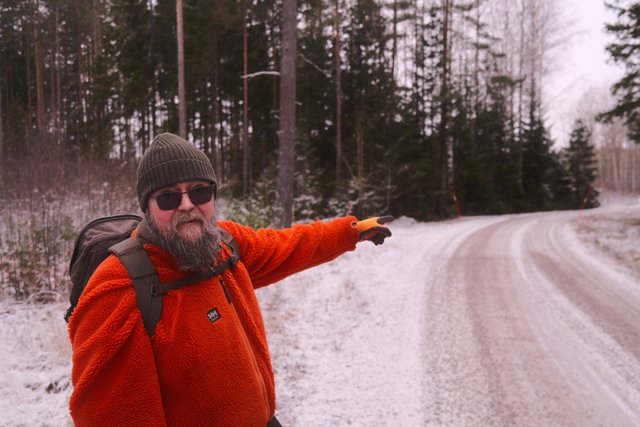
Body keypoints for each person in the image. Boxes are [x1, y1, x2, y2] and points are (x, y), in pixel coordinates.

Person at [68, 132, 393, 426]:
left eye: (199, 191)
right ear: (147, 207)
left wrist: (349, 232)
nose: (187, 205)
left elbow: (289, 245)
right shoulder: (119, 287)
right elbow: (112, 417)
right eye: (168, 197)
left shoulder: (224, 245)